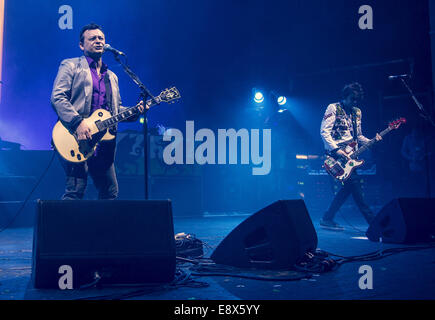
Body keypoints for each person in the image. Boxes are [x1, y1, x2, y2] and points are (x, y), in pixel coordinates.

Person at [51, 23, 146, 200]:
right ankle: (67, 228)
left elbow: (115, 111)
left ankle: (102, 229)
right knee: (75, 191)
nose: (98, 41)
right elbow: (57, 97)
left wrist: (136, 111)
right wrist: (77, 122)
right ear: (82, 45)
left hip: (104, 142)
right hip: (74, 137)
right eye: (92, 38)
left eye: (101, 38)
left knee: (110, 192)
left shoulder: (112, 76)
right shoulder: (71, 66)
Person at [319, 82, 381, 230]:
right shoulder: (333, 108)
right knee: (356, 189)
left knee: (348, 189)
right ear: (345, 96)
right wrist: (336, 150)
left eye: (356, 100)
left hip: (351, 156)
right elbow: (324, 132)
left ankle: (327, 218)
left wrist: (372, 141)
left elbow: (358, 135)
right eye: (352, 99)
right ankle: (374, 226)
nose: (354, 102)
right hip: (336, 155)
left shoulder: (357, 112)